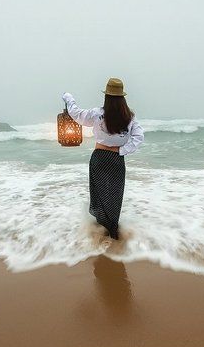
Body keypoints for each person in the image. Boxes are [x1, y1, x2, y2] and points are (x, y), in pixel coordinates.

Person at [62, 78, 145, 240]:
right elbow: (139, 137)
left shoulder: (97, 114)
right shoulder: (129, 117)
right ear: (122, 97)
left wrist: (68, 97)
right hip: (116, 160)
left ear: (106, 96)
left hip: (99, 159)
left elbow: (76, 114)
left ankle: (101, 230)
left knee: (99, 195)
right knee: (114, 195)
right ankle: (113, 230)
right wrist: (121, 150)